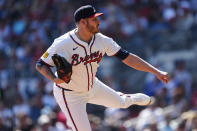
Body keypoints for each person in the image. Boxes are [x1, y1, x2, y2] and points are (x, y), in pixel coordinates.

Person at [35, 5, 169, 131]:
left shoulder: (102, 40)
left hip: (92, 85)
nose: (98, 22)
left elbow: (127, 57)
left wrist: (155, 71)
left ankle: (135, 98)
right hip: (70, 94)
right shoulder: (62, 43)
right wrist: (54, 79)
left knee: (121, 102)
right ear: (83, 22)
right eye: (94, 19)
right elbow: (41, 64)